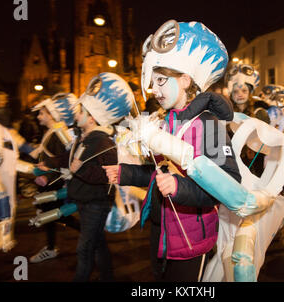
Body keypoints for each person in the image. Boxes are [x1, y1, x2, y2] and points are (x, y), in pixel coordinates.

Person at [104, 20, 241, 282]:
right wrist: (125, 173)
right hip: (162, 230)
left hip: (191, 237)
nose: (153, 89)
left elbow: (228, 185)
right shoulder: (168, 120)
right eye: (152, 81)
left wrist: (180, 189)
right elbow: (161, 173)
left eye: (160, 81)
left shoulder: (207, 123)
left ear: (185, 79)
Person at [41, 72, 133, 282]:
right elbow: (68, 158)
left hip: (96, 203)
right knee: (97, 243)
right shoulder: (85, 137)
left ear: (91, 117)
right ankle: (108, 277)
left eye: (80, 110)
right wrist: (48, 164)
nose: (75, 114)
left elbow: (108, 174)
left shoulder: (103, 142)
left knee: (84, 248)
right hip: (84, 201)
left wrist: (81, 169)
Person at [29, 93, 81, 263]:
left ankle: (52, 248)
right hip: (47, 182)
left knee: (55, 215)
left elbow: (67, 158)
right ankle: (88, 234)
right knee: (52, 215)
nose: (38, 116)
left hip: (52, 184)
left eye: (42, 113)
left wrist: (48, 177)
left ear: (51, 115)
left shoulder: (58, 132)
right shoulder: (52, 131)